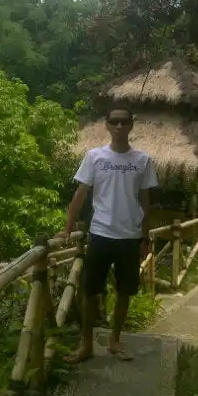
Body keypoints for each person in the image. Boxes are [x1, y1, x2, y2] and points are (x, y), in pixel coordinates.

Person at [56, 104, 158, 362]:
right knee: (90, 292)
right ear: (108, 125)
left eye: (125, 122)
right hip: (100, 233)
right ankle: (87, 345)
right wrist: (68, 228)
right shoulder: (94, 157)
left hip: (129, 237)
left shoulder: (142, 161)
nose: (120, 126)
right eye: (115, 122)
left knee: (125, 292)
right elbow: (80, 194)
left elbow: (146, 202)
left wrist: (145, 237)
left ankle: (114, 341)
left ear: (131, 125)